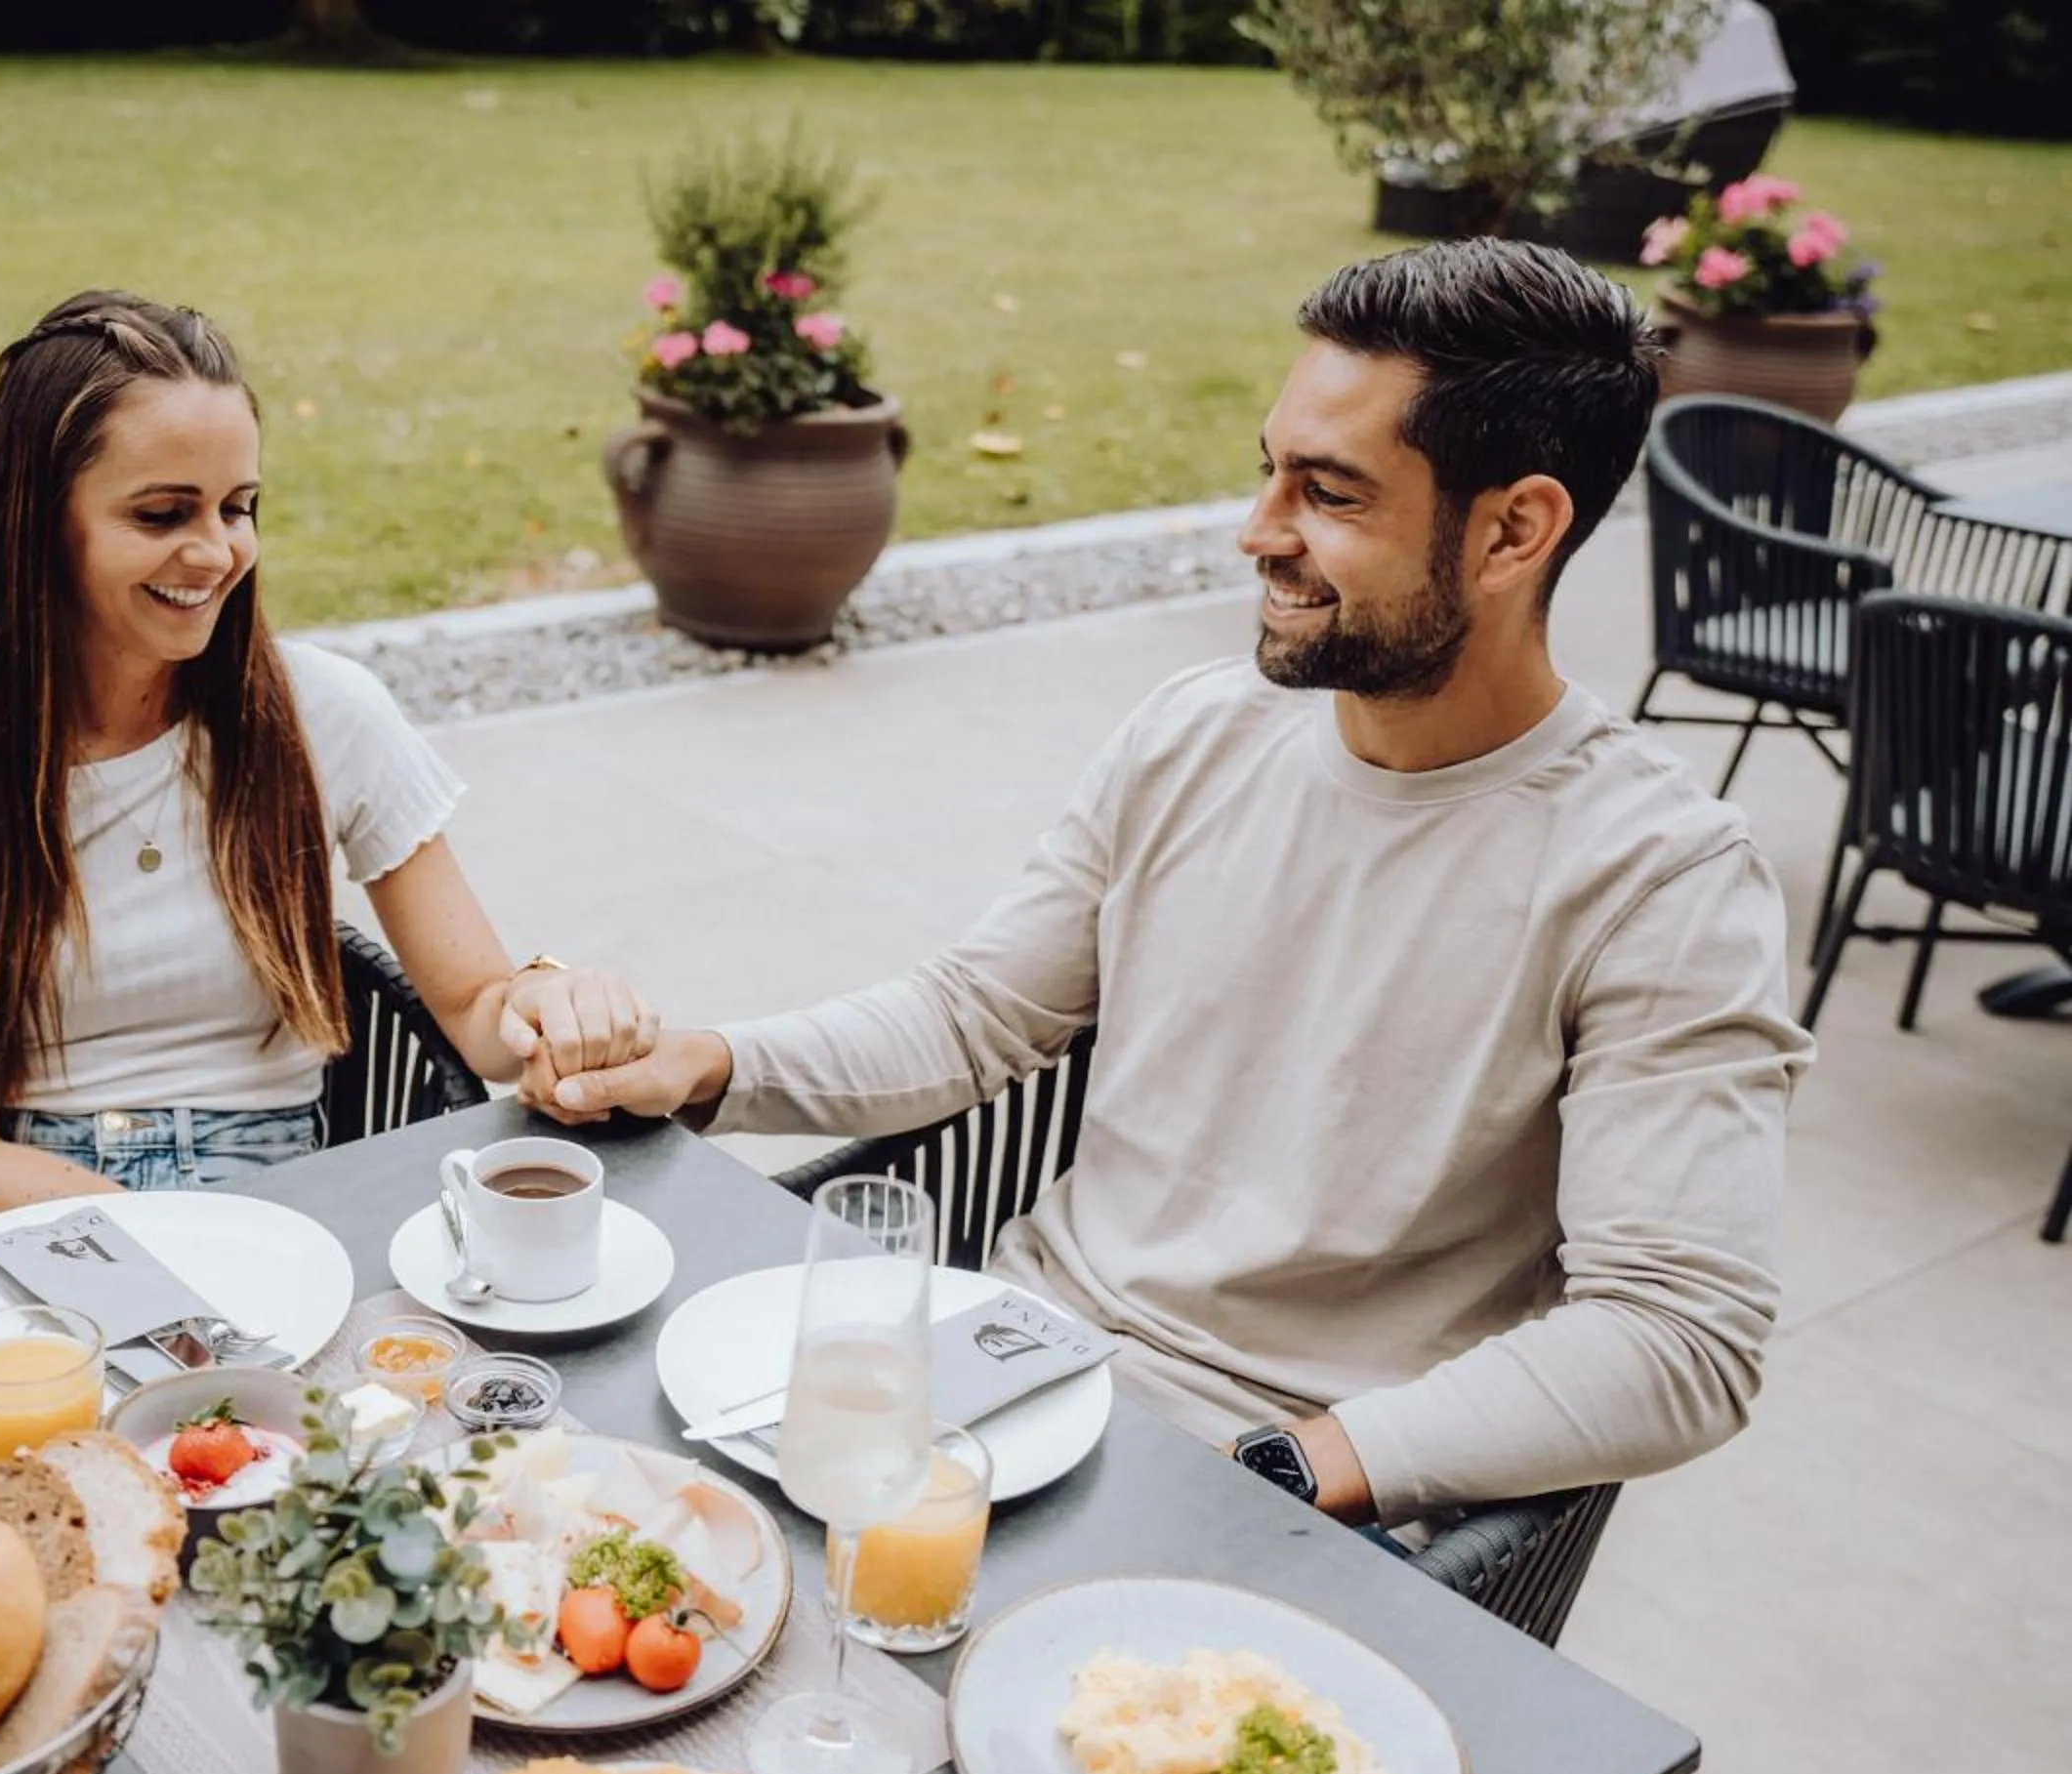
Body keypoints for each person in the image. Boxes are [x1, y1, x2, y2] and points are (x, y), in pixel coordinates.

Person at [540, 239, 1813, 1532]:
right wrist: (709, 1064)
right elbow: (974, 1015)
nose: (1260, 533)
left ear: (1513, 532)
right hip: (1004, 1377)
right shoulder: (1198, 729)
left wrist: (1296, 1467)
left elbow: (1680, 1337)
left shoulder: (1661, 881)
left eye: (1330, 493)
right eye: (1270, 471)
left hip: (1291, 1495)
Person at [0, 291, 652, 1251]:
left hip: (271, 1185)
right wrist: (158, 1240)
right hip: (29, 1206)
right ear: (39, 522)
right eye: (162, 513)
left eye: (238, 507)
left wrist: (546, 1000)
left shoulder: (326, 714)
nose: (218, 551)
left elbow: (478, 1007)